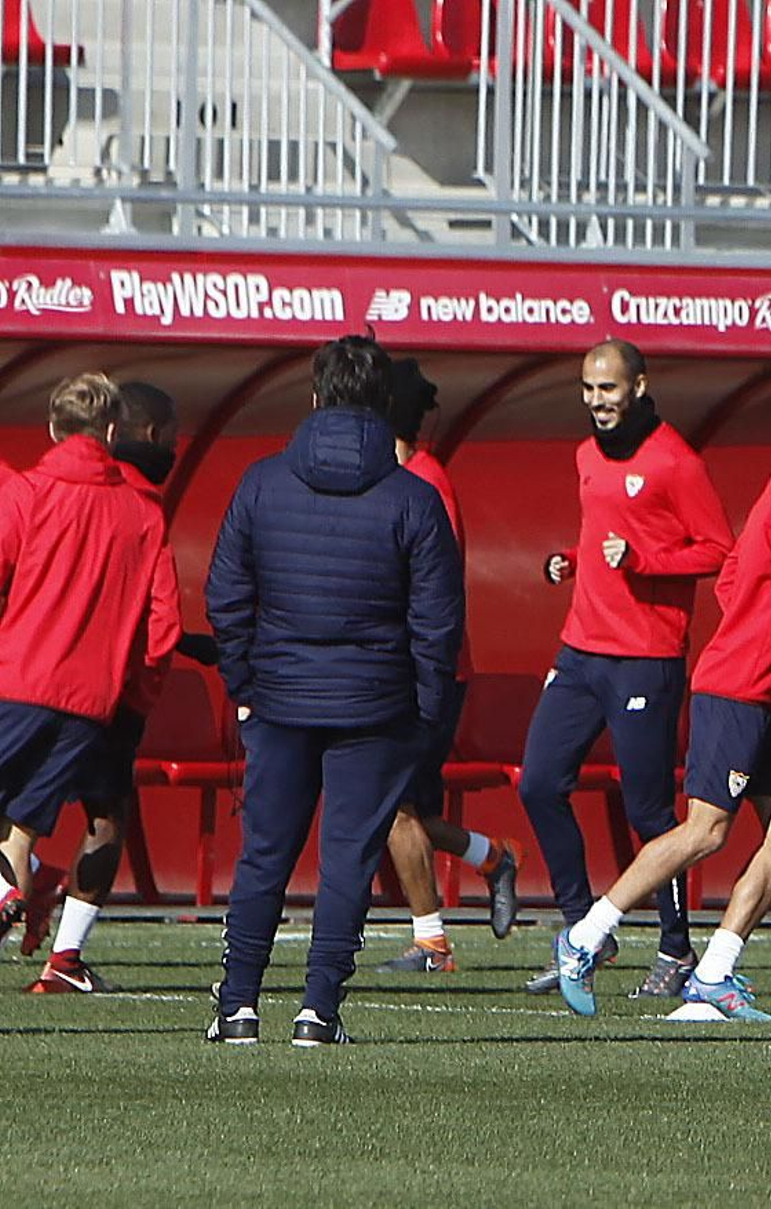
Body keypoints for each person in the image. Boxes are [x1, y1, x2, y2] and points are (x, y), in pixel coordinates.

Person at [553, 381, 771, 1020]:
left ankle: (713, 975)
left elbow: (736, 579)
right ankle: (583, 937)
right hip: (739, 691)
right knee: (705, 831)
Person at [205, 335, 463, 1047]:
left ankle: (237, 1006)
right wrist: (426, 714)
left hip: (280, 700)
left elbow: (225, 594)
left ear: (315, 397)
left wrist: (244, 684)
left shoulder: (260, 481)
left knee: (265, 853)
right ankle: (318, 1010)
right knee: (347, 857)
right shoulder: (415, 498)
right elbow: (437, 624)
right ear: (384, 405)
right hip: (376, 707)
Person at [521, 340, 733, 1000]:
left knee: (649, 810)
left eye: (607, 389)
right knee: (537, 783)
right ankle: (585, 928)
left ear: (639, 386)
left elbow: (717, 549)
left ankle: (675, 949)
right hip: (581, 650)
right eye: (587, 388)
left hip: (646, 658)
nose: (595, 401)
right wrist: (572, 560)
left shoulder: (675, 460)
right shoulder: (586, 455)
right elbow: (603, 537)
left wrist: (643, 560)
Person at [0, 374, 175, 935]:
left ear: (54, 427)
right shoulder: (143, 512)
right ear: (109, 430)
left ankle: (8, 885)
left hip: (19, 683)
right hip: (90, 705)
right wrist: (134, 700)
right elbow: (163, 622)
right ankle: (19, 884)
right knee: (20, 827)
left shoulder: (28, 492)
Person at [372, 359, 522, 975]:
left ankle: (432, 944)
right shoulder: (402, 476)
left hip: (424, 673)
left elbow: (433, 588)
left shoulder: (425, 483)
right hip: (403, 670)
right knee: (400, 810)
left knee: (391, 809)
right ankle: (493, 857)